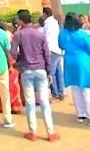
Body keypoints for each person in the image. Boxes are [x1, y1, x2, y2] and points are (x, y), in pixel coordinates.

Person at [10, 9, 57, 141]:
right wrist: (49, 71)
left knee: (30, 102)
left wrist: (19, 61)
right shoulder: (40, 34)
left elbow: (13, 52)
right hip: (41, 69)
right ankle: (51, 132)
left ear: (20, 20)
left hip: (26, 69)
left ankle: (33, 132)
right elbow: (46, 54)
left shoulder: (19, 34)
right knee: (44, 102)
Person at [59, 12, 90, 127]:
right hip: (83, 61)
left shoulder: (62, 33)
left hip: (69, 61)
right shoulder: (82, 34)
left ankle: (81, 114)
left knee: (75, 88)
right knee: (88, 89)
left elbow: (61, 46)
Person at [42, 7, 64, 100]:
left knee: (52, 72)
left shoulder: (47, 23)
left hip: (51, 49)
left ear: (45, 14)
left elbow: (46, 38)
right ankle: (61, 92)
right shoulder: (55, 22)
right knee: (58, 72)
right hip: (58, 49)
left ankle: (55, 93)